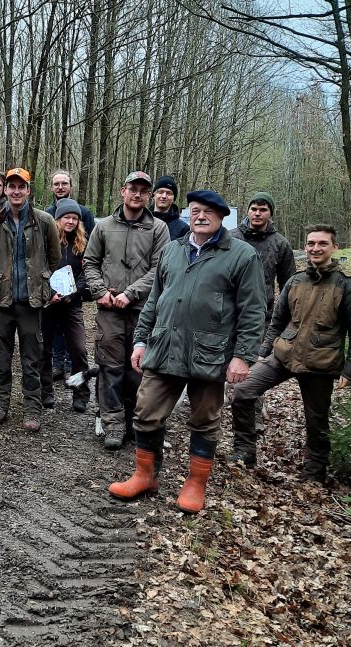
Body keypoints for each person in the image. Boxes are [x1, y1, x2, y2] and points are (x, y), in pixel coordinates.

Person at [109, 190, 266, 513]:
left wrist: (243, 356)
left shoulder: (241, 255)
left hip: (211, 353)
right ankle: (145, 474)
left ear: (221, 217)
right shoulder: (172, 250)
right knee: (146, 410)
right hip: (164, 347)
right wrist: (141, 340)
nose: (200, 216)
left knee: (205, 419)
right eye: (195, 211)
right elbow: (154, 301)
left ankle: (195, 483)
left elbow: (254, 310)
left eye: (208, 211)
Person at [230, 224, 351, 482]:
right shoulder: (295, 280)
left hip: (320, 363)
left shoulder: (348, 285)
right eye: (311, 243)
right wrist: (263, 351)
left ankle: (314, 474)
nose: (315, 248)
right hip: (283, 355)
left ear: (335, 247)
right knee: (243, 391)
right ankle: (244, 452)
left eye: (322, 243)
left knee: (316, 421)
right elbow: (277, 322)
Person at [83, 171, 170, 449]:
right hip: (109, 311)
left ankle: (135, 420)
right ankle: (112, 423)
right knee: (110, 366)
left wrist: (132, 294)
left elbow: (160, 269)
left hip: (142, 311)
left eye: (144, 191)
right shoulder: (104, 226)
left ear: (149, 195)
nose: (137, 194)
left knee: (138, 368)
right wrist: (100, 291)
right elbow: (90, 262)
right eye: (133, 189)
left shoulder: (158, 229)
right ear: (123, 191)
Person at [0, 167, 62, 431]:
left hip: (30, 302)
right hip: (2, 302)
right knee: (1, 357)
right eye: (11, 186)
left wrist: (41, 280)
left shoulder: (44, 221)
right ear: (4, 190)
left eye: (21, 187)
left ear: (28, 190)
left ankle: (32, 409)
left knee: (31, 357)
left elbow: (54, 256)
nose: (16, 191)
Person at [40, 199, 91, 413]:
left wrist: (74, 291)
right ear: (57, 219)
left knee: (79, 349)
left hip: (72, 304)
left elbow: (88, 271)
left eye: (74, 218)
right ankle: (46, 392)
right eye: (66, 217)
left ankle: (81, 393)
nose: (70, 221)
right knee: (44, 349)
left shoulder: (83, 244)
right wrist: (50, 294)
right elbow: (39, 269)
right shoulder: (47, 240)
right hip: (48, 303)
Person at [229, 192, 296, 330]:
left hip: (262, 314)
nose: (257, 213)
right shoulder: (230, 238)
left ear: (270, 213)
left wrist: (286, 317)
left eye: (263, 210)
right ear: (248, 211)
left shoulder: (280, 243)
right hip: (228, 309)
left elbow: (288, 283)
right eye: (253, 209)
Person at [46, 169, 95, 234]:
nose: (60, 187)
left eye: (64, 184)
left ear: (71, 187)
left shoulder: (85, 213)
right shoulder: (47, 214)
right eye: (56, 184)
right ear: (52, 188)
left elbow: (93, 240)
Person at [150, 175, 189, 240]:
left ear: (174, 199)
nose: (164, 196)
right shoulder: (141, 221)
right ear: (154, 195)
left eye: (169, 193)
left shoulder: (183, 229)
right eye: (160, 192)